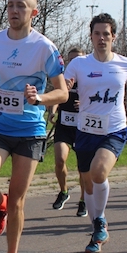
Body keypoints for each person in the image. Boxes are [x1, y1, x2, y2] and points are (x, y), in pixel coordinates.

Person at [0, 0, 68, 253]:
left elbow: (63, 92)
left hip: (29, 131)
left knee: (17, 199)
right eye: (10, 5)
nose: (14, 10)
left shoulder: (44, 48)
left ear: (33, 13)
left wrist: (39, 99)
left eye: (21, 6)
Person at [63, 13, 127, 253]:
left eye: (106, 34)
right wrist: (65, 86)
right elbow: (64, 84)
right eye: (97, 34)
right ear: (91, 36)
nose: (101, 38)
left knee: (99, 172)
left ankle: (99, 221)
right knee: (88, 183)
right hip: (86, 129)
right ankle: (98, 228)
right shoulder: (79, 64)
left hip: (114, 129)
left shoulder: (125, 64)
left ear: (113, 37)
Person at [49, 47, 88, 217]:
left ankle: (83, 200)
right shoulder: (63, 79)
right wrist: (52, 112)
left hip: (83, 128)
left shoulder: (88, 79)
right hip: (64, 126)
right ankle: (64, 191)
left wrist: (85, 105)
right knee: (59, 159)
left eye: (78, 59)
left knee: (82, 167)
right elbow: (56, 96)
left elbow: (98, 101)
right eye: (71, 60)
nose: (74, 63)